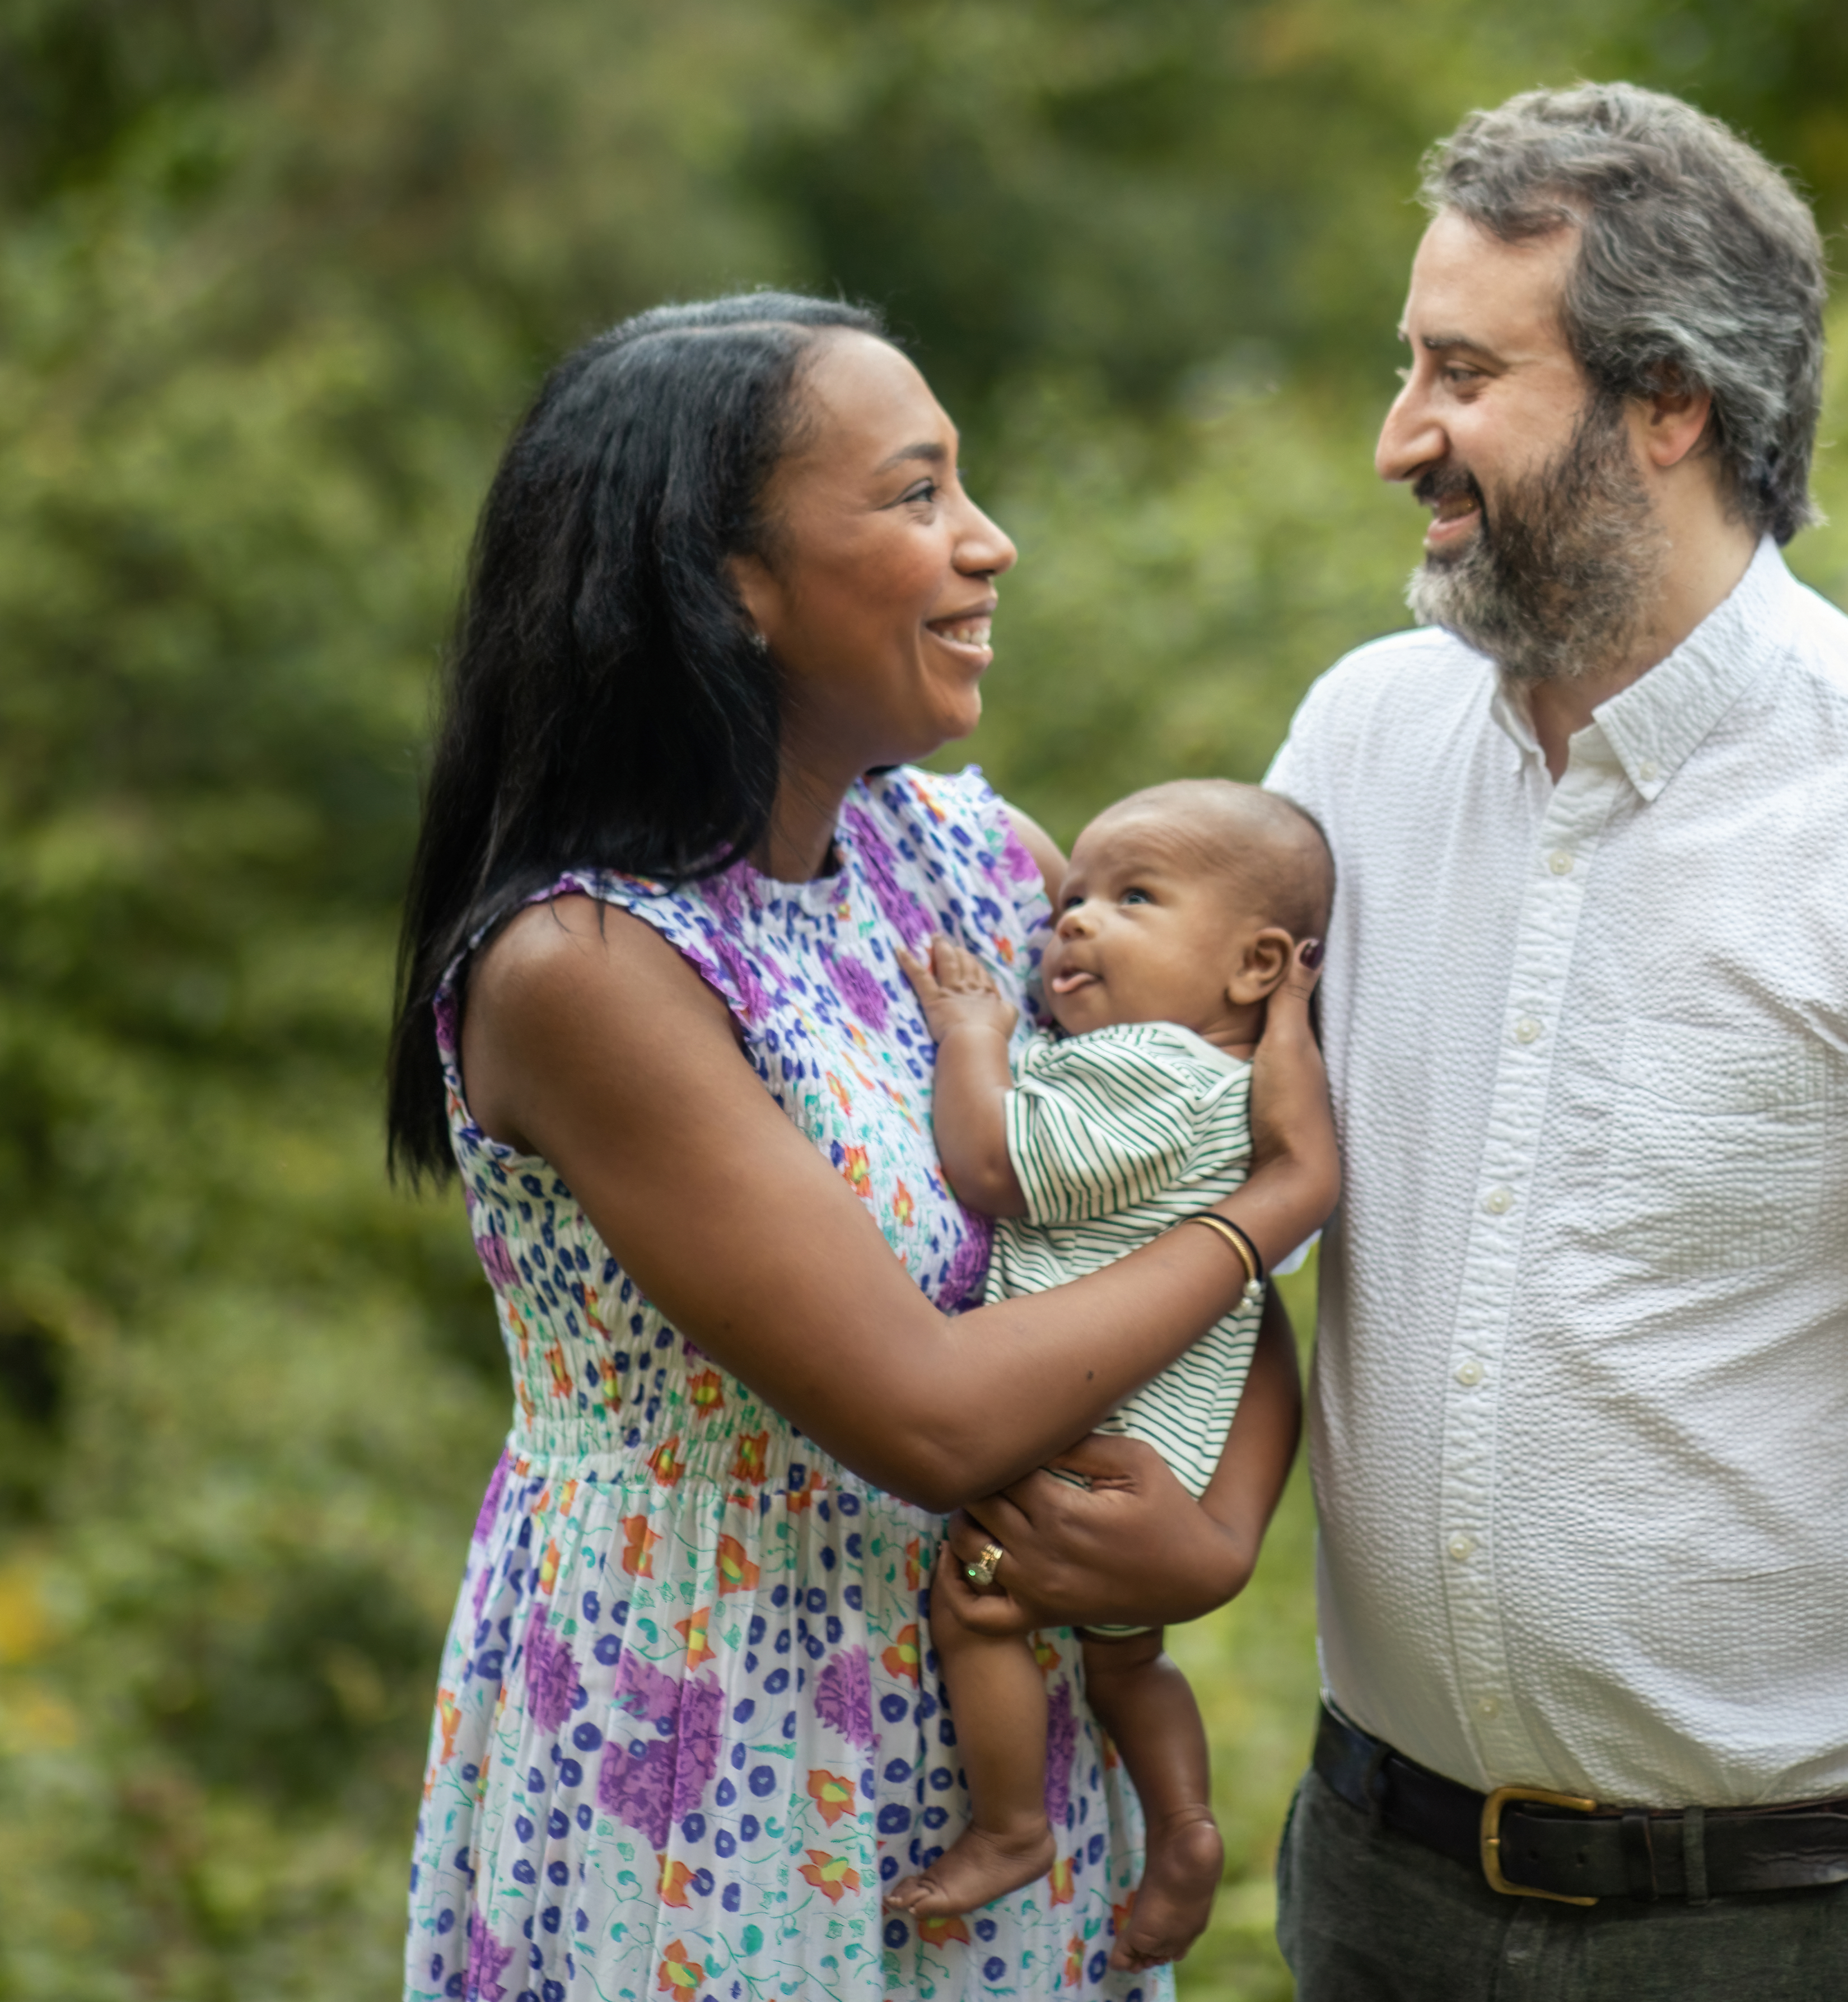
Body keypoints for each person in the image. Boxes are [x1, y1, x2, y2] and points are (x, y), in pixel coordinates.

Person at [1262, 85, 1848, 2001]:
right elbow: (1213, 1191)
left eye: (1459, 373)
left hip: (1796, 1929)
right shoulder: (1355, 742)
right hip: (1376, 1887)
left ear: (1666, 404)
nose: (1395, 437)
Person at [384, 293, 1334, 2002]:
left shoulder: (978, 869)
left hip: (996, 1747)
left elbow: (1157, 1246)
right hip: (701, 1749)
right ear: (728, 583)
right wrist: (1281, 1207)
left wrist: (1221, 1526)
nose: (991, 544)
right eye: (915, 497)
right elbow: (930, 1408)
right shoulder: (591, 974)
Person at [883, 779, 1336, 1964]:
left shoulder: (1153, 1074)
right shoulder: (1226, 1089)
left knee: (978, 1609)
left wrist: (976, 1038)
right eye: (1073, 895)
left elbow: (991, 1163)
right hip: (1163, 1467)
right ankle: (1182, 1823)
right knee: (1128, 1656)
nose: (1072, 921)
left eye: (1133, 898)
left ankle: (1012, 1824)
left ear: (1255, 968)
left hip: (1082, 1447)